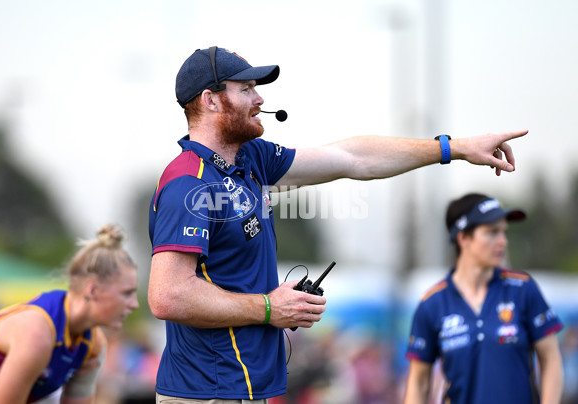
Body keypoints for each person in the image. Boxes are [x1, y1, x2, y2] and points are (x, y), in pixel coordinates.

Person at [147, 46, 528, 403]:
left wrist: (453, 148)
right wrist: (267, 307)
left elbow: (352, 157)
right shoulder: (189, 183)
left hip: (242, 389)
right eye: (246, 89)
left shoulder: (251, 159)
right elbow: (168, 295)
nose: (260, 99)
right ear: (210, 100)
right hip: (207, 393)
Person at [403, 193, 564, 404]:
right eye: (492, 233)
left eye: (504, 232)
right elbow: (419, 382)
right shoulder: (432, 304)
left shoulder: (523, 289)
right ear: (463, 238)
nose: (503, 242)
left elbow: (551, 359)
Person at [0, 223, 139, 404]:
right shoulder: (37, 333)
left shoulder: (92, 345)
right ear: (93, 291)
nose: (135, 304)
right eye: (127, 293)